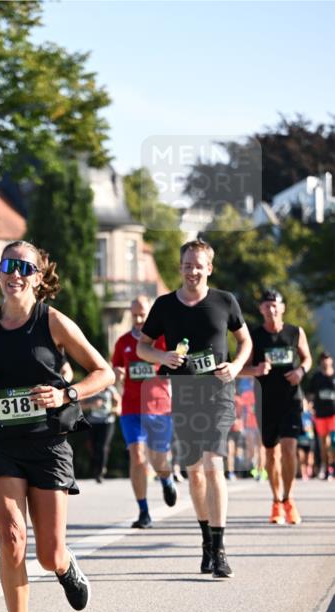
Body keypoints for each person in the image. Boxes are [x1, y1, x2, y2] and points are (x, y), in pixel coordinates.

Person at [0, 239, 113, 612]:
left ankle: (65, 567)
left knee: (48, 553)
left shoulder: (54, 322)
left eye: (24, 266)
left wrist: (67, 393)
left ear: (38, 278)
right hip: (3, 442)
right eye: (8, 264)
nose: (14, 273)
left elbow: (104, 372)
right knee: (10, 539)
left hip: (48, 444)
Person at [137, 239, 252, 578]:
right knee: (194, 471)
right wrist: (163, 356)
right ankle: (206, 540)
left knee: (213, 465)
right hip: (184, 394)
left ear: (209, 268)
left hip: (219, 392)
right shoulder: (164, 306)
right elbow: (143, 347)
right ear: (181, 267)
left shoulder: (225, 301)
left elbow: (245, 341)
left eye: (198, 265)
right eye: (187, 265)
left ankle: (220, 549)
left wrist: (236, 365)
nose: (192, 271)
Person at [241, 289, 311, 524]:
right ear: (261, 309)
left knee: (290, 448)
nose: (271, 309)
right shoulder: (254, 336)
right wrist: (256, 370)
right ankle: (276, 501)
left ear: (282, 308)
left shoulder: (295, 332)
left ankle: (289, 499)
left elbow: (307, 358)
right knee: (271, 453)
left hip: (290, 399)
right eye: (266, 306)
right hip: (266, 401)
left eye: (275, 305)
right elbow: (242, 367)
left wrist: (301, 371)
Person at [112, 295, 176, 526]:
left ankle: (167, 480)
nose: (139, 319)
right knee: (138, 457)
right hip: (131, 407)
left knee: (159, 460)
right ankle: (144, 511)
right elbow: (116, 368)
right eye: (135, 314)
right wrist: (117, 374)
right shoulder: (122, 342)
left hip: (159, 406)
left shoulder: (162, 340)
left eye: (143, 314)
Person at [82, 385, 120, 482]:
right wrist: (92, 404)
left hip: (107, 421)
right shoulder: (92, 387)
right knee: (93, 447)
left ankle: (100, 471)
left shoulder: (111, 389)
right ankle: (94, 468)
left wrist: (115, 409)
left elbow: (118, 405)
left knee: (103, 446)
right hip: (92, 422)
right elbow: (81, 405)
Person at [308, 351, 335, 479]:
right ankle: (326, 467)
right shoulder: (316, 377)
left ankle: (332, 466)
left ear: (331, 361)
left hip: (333, 414)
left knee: (333, 441)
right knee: (323, 444)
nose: (325, 361)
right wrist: (310, 406)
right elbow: (310, 395)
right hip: (320, 414)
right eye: (323, 359)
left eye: (327, 358)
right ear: (320, 362)